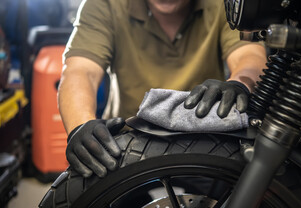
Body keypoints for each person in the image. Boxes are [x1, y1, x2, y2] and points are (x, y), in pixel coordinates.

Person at [58, 0, 267, 178]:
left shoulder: (225, 3)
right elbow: (81, 70)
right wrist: (81, 125)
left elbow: (249, 55)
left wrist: (240, 82)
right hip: (124, 147)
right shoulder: (105, 4)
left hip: (206, 145)